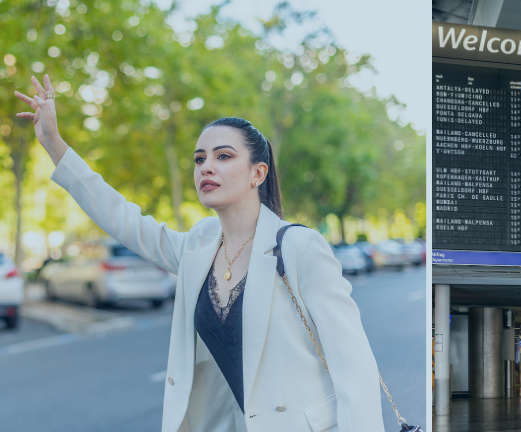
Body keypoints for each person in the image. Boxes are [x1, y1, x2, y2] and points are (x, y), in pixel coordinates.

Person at [13, 75, 384, 431]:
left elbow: (354, 367)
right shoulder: (197, 246)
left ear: (258, 173)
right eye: (199, 158)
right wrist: (54, 144)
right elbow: (123, 219)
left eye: (223, 156)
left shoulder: (300, 247)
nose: (206, 166)